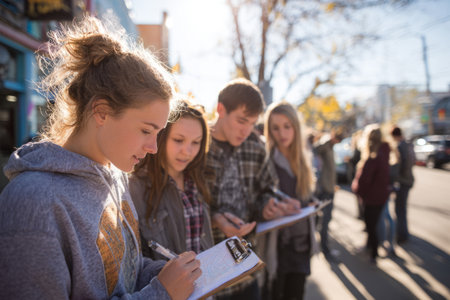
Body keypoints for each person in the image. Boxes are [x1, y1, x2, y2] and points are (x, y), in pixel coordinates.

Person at [0, 17, 200, 300]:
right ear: (102, 112)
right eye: (146, 130)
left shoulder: (115, 175)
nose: (154, 147)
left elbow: (124, 275)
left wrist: (165, 274)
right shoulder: (33, 202)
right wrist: (161, 293)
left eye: (158, 132)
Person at [205, 78, 298, 300]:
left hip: (246, 268)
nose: (247, 130)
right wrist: (215, 218)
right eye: (241, 121)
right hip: (208, 275)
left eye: (252, 123)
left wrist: (267, 206)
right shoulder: (196, 144)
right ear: (220, 110)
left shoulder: (256, 146)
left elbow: (268, 188)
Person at [129, 99, 214, 259]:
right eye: (178, 140)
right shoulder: (136, 186)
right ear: (161, 137)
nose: (187, 151)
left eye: (196, 142)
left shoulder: (198, 179)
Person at [264, 102, 318, 300]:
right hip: (278, 245)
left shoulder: (304, 159)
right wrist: (277, 208)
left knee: (297, 293)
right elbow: (263, 197)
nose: (282, 133)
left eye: (287, 126)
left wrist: (311, 203)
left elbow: (304, 195)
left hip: (302, 243)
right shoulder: (266, 159)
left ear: (296, 126)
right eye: (275, 128)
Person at [352, 124, 391, 265]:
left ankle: (373, 253)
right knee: (374, 224)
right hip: (381, 195)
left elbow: (365, 180)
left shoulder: (373, 156)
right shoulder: (385, 152)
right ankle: (370, 248)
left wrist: (358, 190)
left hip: (372, 197)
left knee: (371, 226)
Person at [314, 129, 343, 260]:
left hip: (330, 188)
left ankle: (323, 247)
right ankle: (324, 249)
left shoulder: (331, 148)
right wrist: (327, 140)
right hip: (325, 189)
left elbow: (331, 169)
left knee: (326, 219)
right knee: (324, 220)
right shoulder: (326, 145)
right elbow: (316, 149)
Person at [391, 126, 415, 244]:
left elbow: (402, 165)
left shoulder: (400, 146)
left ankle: (402, 235)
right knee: (402, 209)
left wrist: (396, 178)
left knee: (399, 209)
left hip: (403, 182)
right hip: (408, 180)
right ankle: (403, 233)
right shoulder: (409, 144)